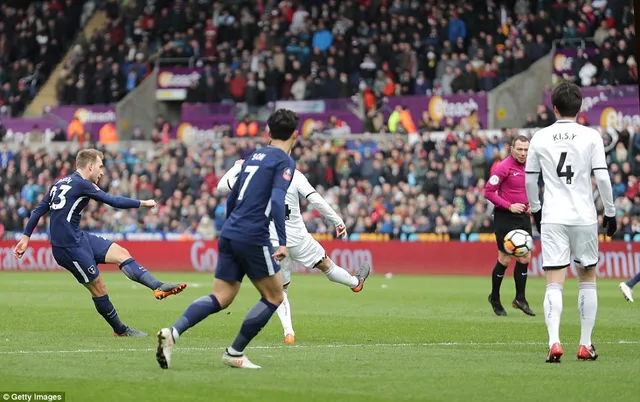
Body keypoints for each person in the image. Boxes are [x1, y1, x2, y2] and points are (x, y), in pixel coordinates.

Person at [156, 109, 299, 370]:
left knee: (221, 296)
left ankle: (173, 333)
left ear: (268, 132)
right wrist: (282, 241)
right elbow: (278, 200)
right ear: (295, 134)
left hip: (231, 230)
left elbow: (232, 196)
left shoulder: (253, 156)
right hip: (253, 234)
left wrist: (231, 226)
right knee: (275, 296)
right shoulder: (284, 161)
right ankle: (234, 353)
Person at [13, 149, 187, 337]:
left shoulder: (59, 183)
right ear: (90, 166)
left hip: (79, 237)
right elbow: (112, 200)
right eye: (100, 166)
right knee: (99, 287)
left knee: (121, 253)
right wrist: (143, 203)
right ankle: (120, 330)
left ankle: (157, 286)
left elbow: (38, 210)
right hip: (68, 248)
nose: (102, 171)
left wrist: (25, 237)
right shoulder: (83, 184)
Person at [217, 159, 371, 345]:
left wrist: (236, 167)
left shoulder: (256, 179)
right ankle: (355, 283)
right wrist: (337, 220)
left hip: (273, 241)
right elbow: (315, 199)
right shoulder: (294, 175)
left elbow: (221, 186)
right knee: (326, 265)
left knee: (281, 289)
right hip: (298, 238)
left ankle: (288, 332)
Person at [525, 82, 617, 363]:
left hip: (554, 216)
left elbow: (530, 179)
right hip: (584, 216)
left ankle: (554, 343)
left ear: (554, 108)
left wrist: (537, 211)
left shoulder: (540, 137)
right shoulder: (591, 137)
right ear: (579, 108)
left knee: (554, 280)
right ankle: (585, 344)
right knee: (587, 279)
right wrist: (610, 213)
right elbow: (601, 177)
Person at [484, 135, 536, 317]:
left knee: (524, 257)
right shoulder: (503, 167)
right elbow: (488, 192)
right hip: (505, 217)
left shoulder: (531, 165)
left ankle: (520, 299)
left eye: (526, 150)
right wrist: (509, 205)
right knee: (505, 259)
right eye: (520, 149)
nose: (523, 153)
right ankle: (495, 298)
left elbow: (527, 189)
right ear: (512, 148)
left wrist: (530, 205)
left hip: (522, 216)